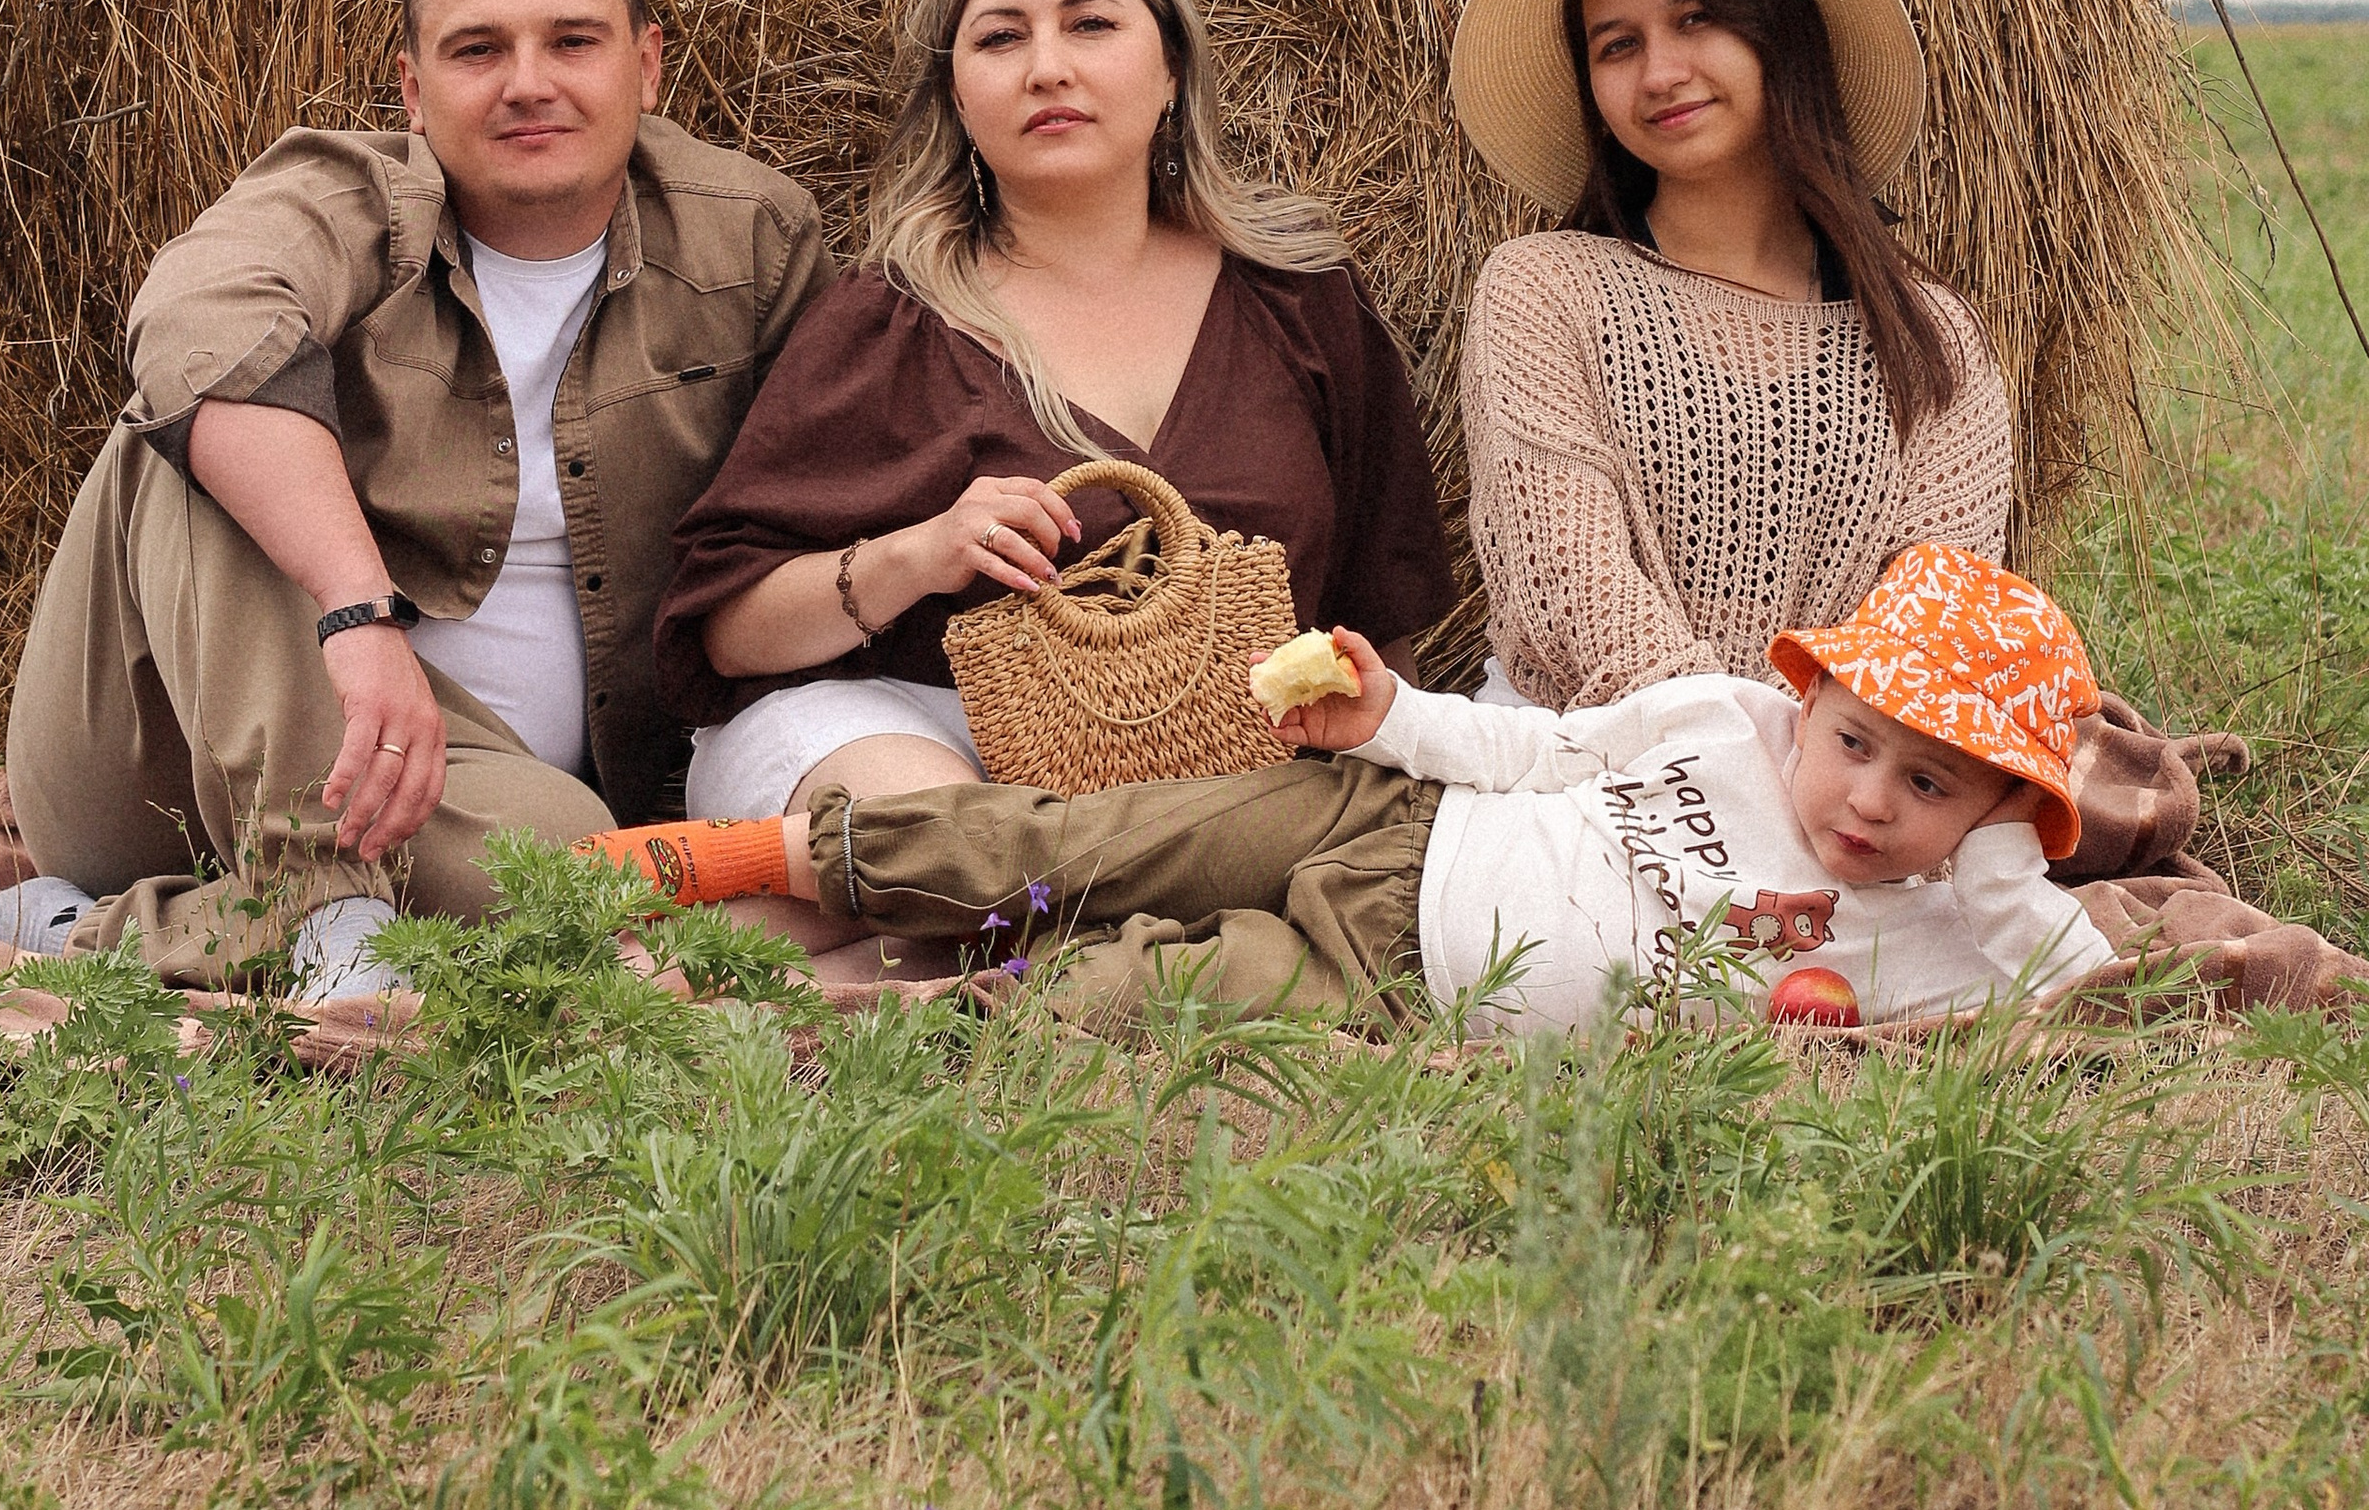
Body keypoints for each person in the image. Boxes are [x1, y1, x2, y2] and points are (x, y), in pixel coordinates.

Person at [0, 0, 830, 1000]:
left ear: (647, 62)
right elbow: (198, 326)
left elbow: (822, 497)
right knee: (208, 416)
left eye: (572, 41)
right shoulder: (347, 196)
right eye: (477, 50)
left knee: (570, 873)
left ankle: (69, 935)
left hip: (468, 793)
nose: (528, 85)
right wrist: (356, 610)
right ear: (413, 86)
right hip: (151, 763)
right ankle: (320, 897)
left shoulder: (753, 242)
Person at [653, 0, 1454, 823]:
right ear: (955, 97)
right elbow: (730, 632)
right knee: (969, 845)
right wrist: (921, 553)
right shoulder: (889, 319)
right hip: (913, 743)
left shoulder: (1301, 299)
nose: (1047, 68)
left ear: (1171, 70)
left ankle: (791, 967)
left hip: (1227, 772)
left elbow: (1378, 621)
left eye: (1092, 24)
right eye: (1000, 37)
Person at [627, 544, 2121, 1037]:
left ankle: (811, 1029)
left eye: (1929, 787)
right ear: (1811, 700)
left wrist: (1997, 864)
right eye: (1855, 741)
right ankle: (712, 860)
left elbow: (2088, 988)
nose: (1867, 798)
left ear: (1988, 818)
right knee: (1078, 844)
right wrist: (1393, 716)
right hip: (1391, 821)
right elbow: (1537, 747)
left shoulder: (1942, 949)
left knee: (1122, 1000)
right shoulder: (1725, 721)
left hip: (1394, 977)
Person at [1441, 0, 2012, 715]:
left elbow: (1930, 629)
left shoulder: (1932, 337)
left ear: (1778, 35)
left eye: (1695, 19)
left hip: (1850, 799)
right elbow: (1572, 590)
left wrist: (1824, 787)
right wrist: (1736, 756)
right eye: (1618, 45)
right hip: (1587, 770)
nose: (1661, 72)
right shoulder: (1543, 291)